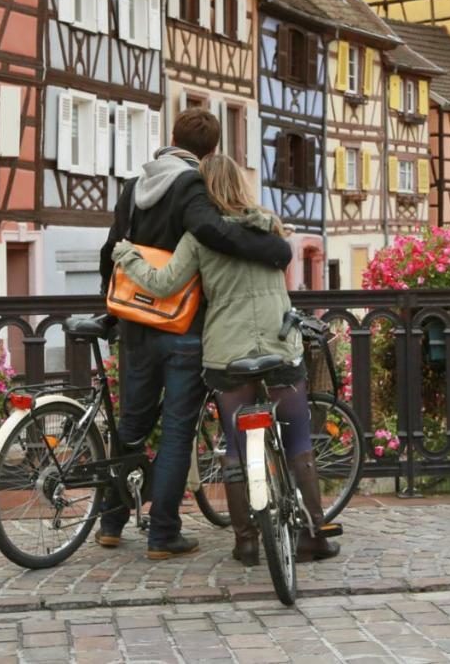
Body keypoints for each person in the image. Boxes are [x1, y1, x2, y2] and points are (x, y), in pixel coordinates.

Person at [112, 155, 339, 566]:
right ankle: (314, 536)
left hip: (226, 352)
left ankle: (246, 542)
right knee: (298, 444)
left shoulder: (198, 238)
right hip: (279, 344)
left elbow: (162, 284)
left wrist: (127, 256)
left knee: (235, 448)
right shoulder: (270, 227)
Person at [97, 109, 292, 561]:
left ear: (171, 137)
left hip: (135, 323)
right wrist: (274, 249)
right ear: (211, 152)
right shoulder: (193, 184)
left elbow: (111, 249)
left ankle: (111, 521)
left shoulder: (133, 187)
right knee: (176, 432)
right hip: (183, 324)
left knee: (131, 424)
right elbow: (211, 231)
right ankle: (163, 533)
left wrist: (109, 309)